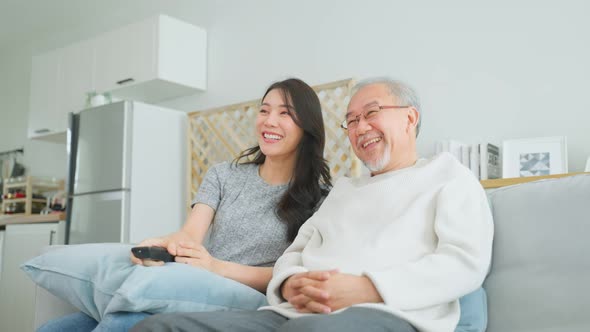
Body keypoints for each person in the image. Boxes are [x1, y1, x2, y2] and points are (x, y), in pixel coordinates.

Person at [132, 77, 494, 332]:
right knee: (158, 328)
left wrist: (368, 287)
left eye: (371, 113)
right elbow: (295, 253)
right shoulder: (343, 192)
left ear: (410, 117)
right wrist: (289, 285)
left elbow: (464, 262)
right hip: (291, 312)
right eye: (351, 121)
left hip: (385, 313)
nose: (359, 127)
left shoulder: (450, 177)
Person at [37, 78, 332, 332]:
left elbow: (295, 272)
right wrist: (164, 244)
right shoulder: (223, 175)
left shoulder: (321, 200)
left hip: (247, 300)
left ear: (306, 127)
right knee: (59, 328)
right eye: (264, 110)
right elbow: (191, 234)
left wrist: (217, 267)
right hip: (194, 287)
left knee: (124, 324)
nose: (269, 121)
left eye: (285, 113)